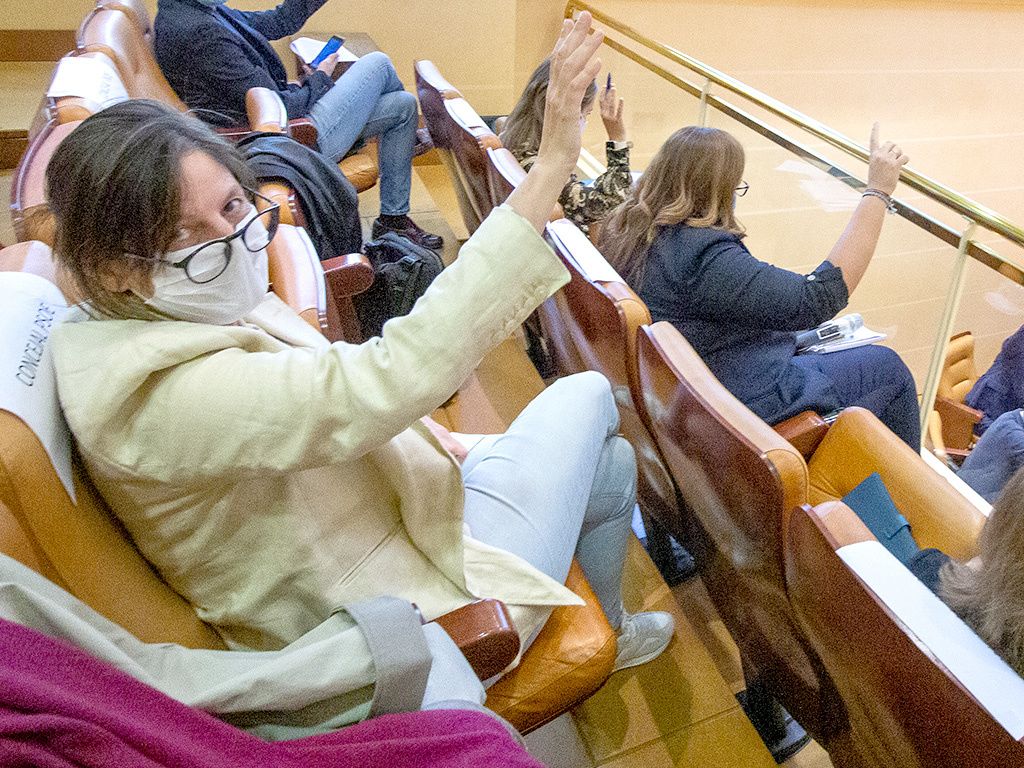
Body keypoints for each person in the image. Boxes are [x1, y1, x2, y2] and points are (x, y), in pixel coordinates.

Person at [46, 13, 672, 675]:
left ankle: (613, 633)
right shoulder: (163, 395)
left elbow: (332, 394)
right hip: (381, 608)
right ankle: (561, 636)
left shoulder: (162, 312)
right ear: (111, 267)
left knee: (611, 464)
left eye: (231, 207)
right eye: (185, 234)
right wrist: (551, 165)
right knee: (592, 393)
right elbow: (384, 378)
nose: (231, 242)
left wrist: (441, 442)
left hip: (372, 510)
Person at [600, 125, 921, 448]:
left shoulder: (629, 229)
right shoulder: (704, 256)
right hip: (728, 401)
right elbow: (819, 297)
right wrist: (877, 192)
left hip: (684, 390)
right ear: (720, 190)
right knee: (887, 369)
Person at [153, 0, 443, 250]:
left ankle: (393, 220)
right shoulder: (200, 32)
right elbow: (278, 105)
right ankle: (408, 140)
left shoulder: (197, 10)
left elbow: (277, 22)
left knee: (403, 106)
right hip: (286, 140)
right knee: (378, 63)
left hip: (283, 122)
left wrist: (306, 83)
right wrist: (319, 78)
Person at [500, 58, 632, 236]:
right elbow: (614, 205)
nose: (584, 122)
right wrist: (617, 139)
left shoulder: (515, 137)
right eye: (586, 114)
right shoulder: (545, 170)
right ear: (568, 113)